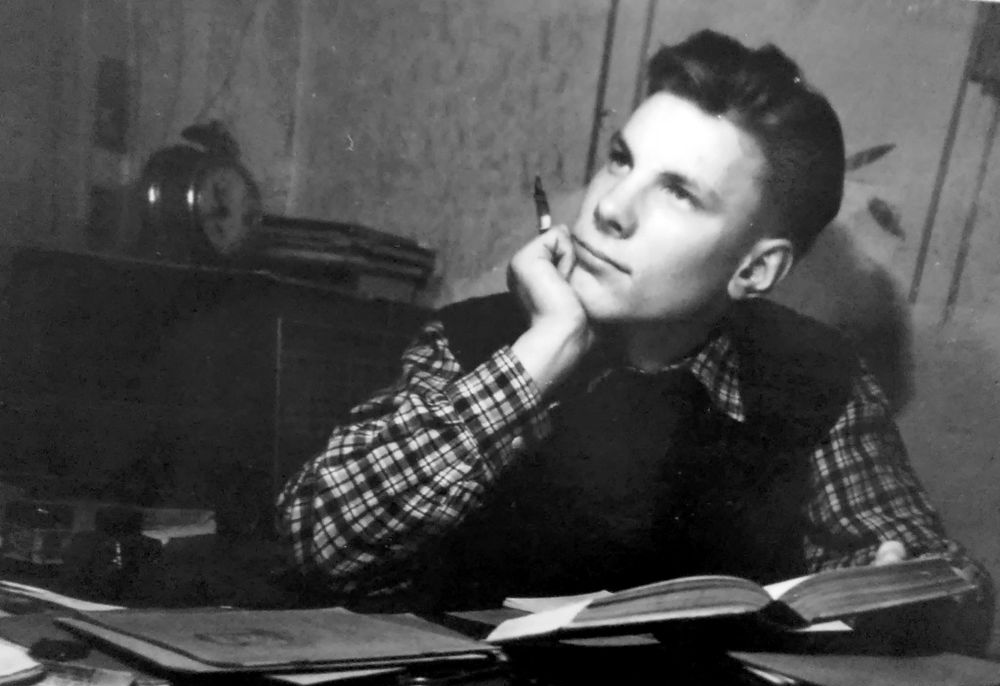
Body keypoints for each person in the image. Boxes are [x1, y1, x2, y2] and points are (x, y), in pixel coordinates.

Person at [277, 30, 992, 646]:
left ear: (756, 269)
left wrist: (891, 592)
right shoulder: (474, 340)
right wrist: (544, 351)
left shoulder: (816, 378)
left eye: (678, 192)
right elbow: (314, 544)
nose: (610, 207)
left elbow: (947, 580)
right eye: (621, 159)